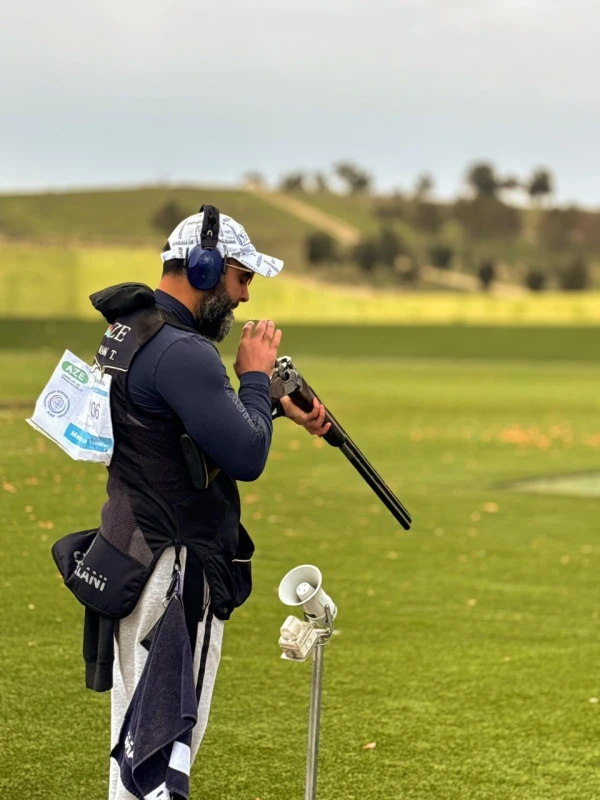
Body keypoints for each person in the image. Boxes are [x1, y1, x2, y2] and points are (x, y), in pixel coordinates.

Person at [54, 205, 330, 800]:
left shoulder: (130, 332)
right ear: (202, 268)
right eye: (240, 278)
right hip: (174, 574)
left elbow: (191, 434)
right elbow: (245, 456)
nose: (245, 297)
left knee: (135, 747)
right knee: (166, 748)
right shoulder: (185, 352)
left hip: (129, 553)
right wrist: (255, 378)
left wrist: (271, 407)